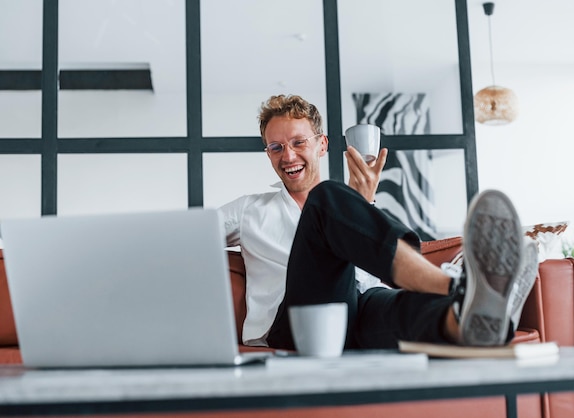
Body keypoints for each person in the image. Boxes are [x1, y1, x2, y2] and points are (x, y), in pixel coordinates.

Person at [219, 94, 538, 350]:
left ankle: (473, 319)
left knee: (402, 309)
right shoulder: (250, 210)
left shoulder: (342, 205)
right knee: (327, 196)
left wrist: (363, 204)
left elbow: (368, 273)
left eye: (298, 143)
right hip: (299, 324)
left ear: (322, 144)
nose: (287, 156)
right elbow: (190, 237)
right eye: (276, 147)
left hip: (360, 308)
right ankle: (458, 288)